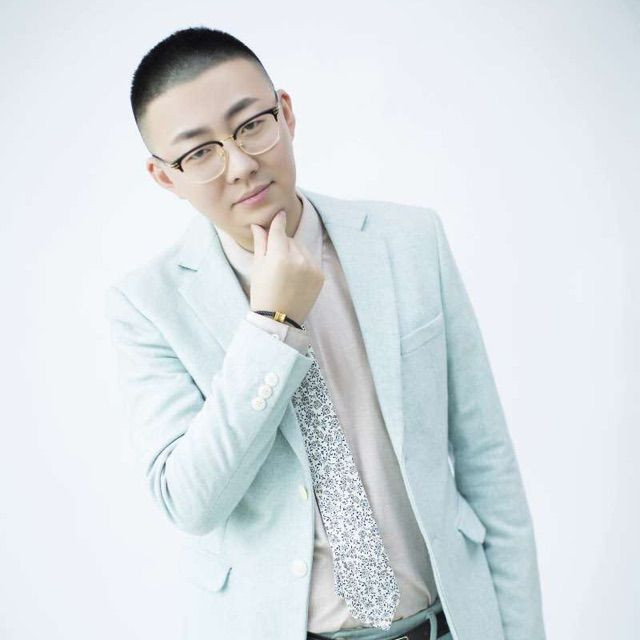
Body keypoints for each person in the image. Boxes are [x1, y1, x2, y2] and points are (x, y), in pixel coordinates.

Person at [105, 26, 546, 640]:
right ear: (165, 177)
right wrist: (272, 327)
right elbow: (190, 502)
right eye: (199, 153)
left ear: (285, 113)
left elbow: (487, 461)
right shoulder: (147, 305)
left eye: (251, 125)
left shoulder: (410, 242)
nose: (241, 165)